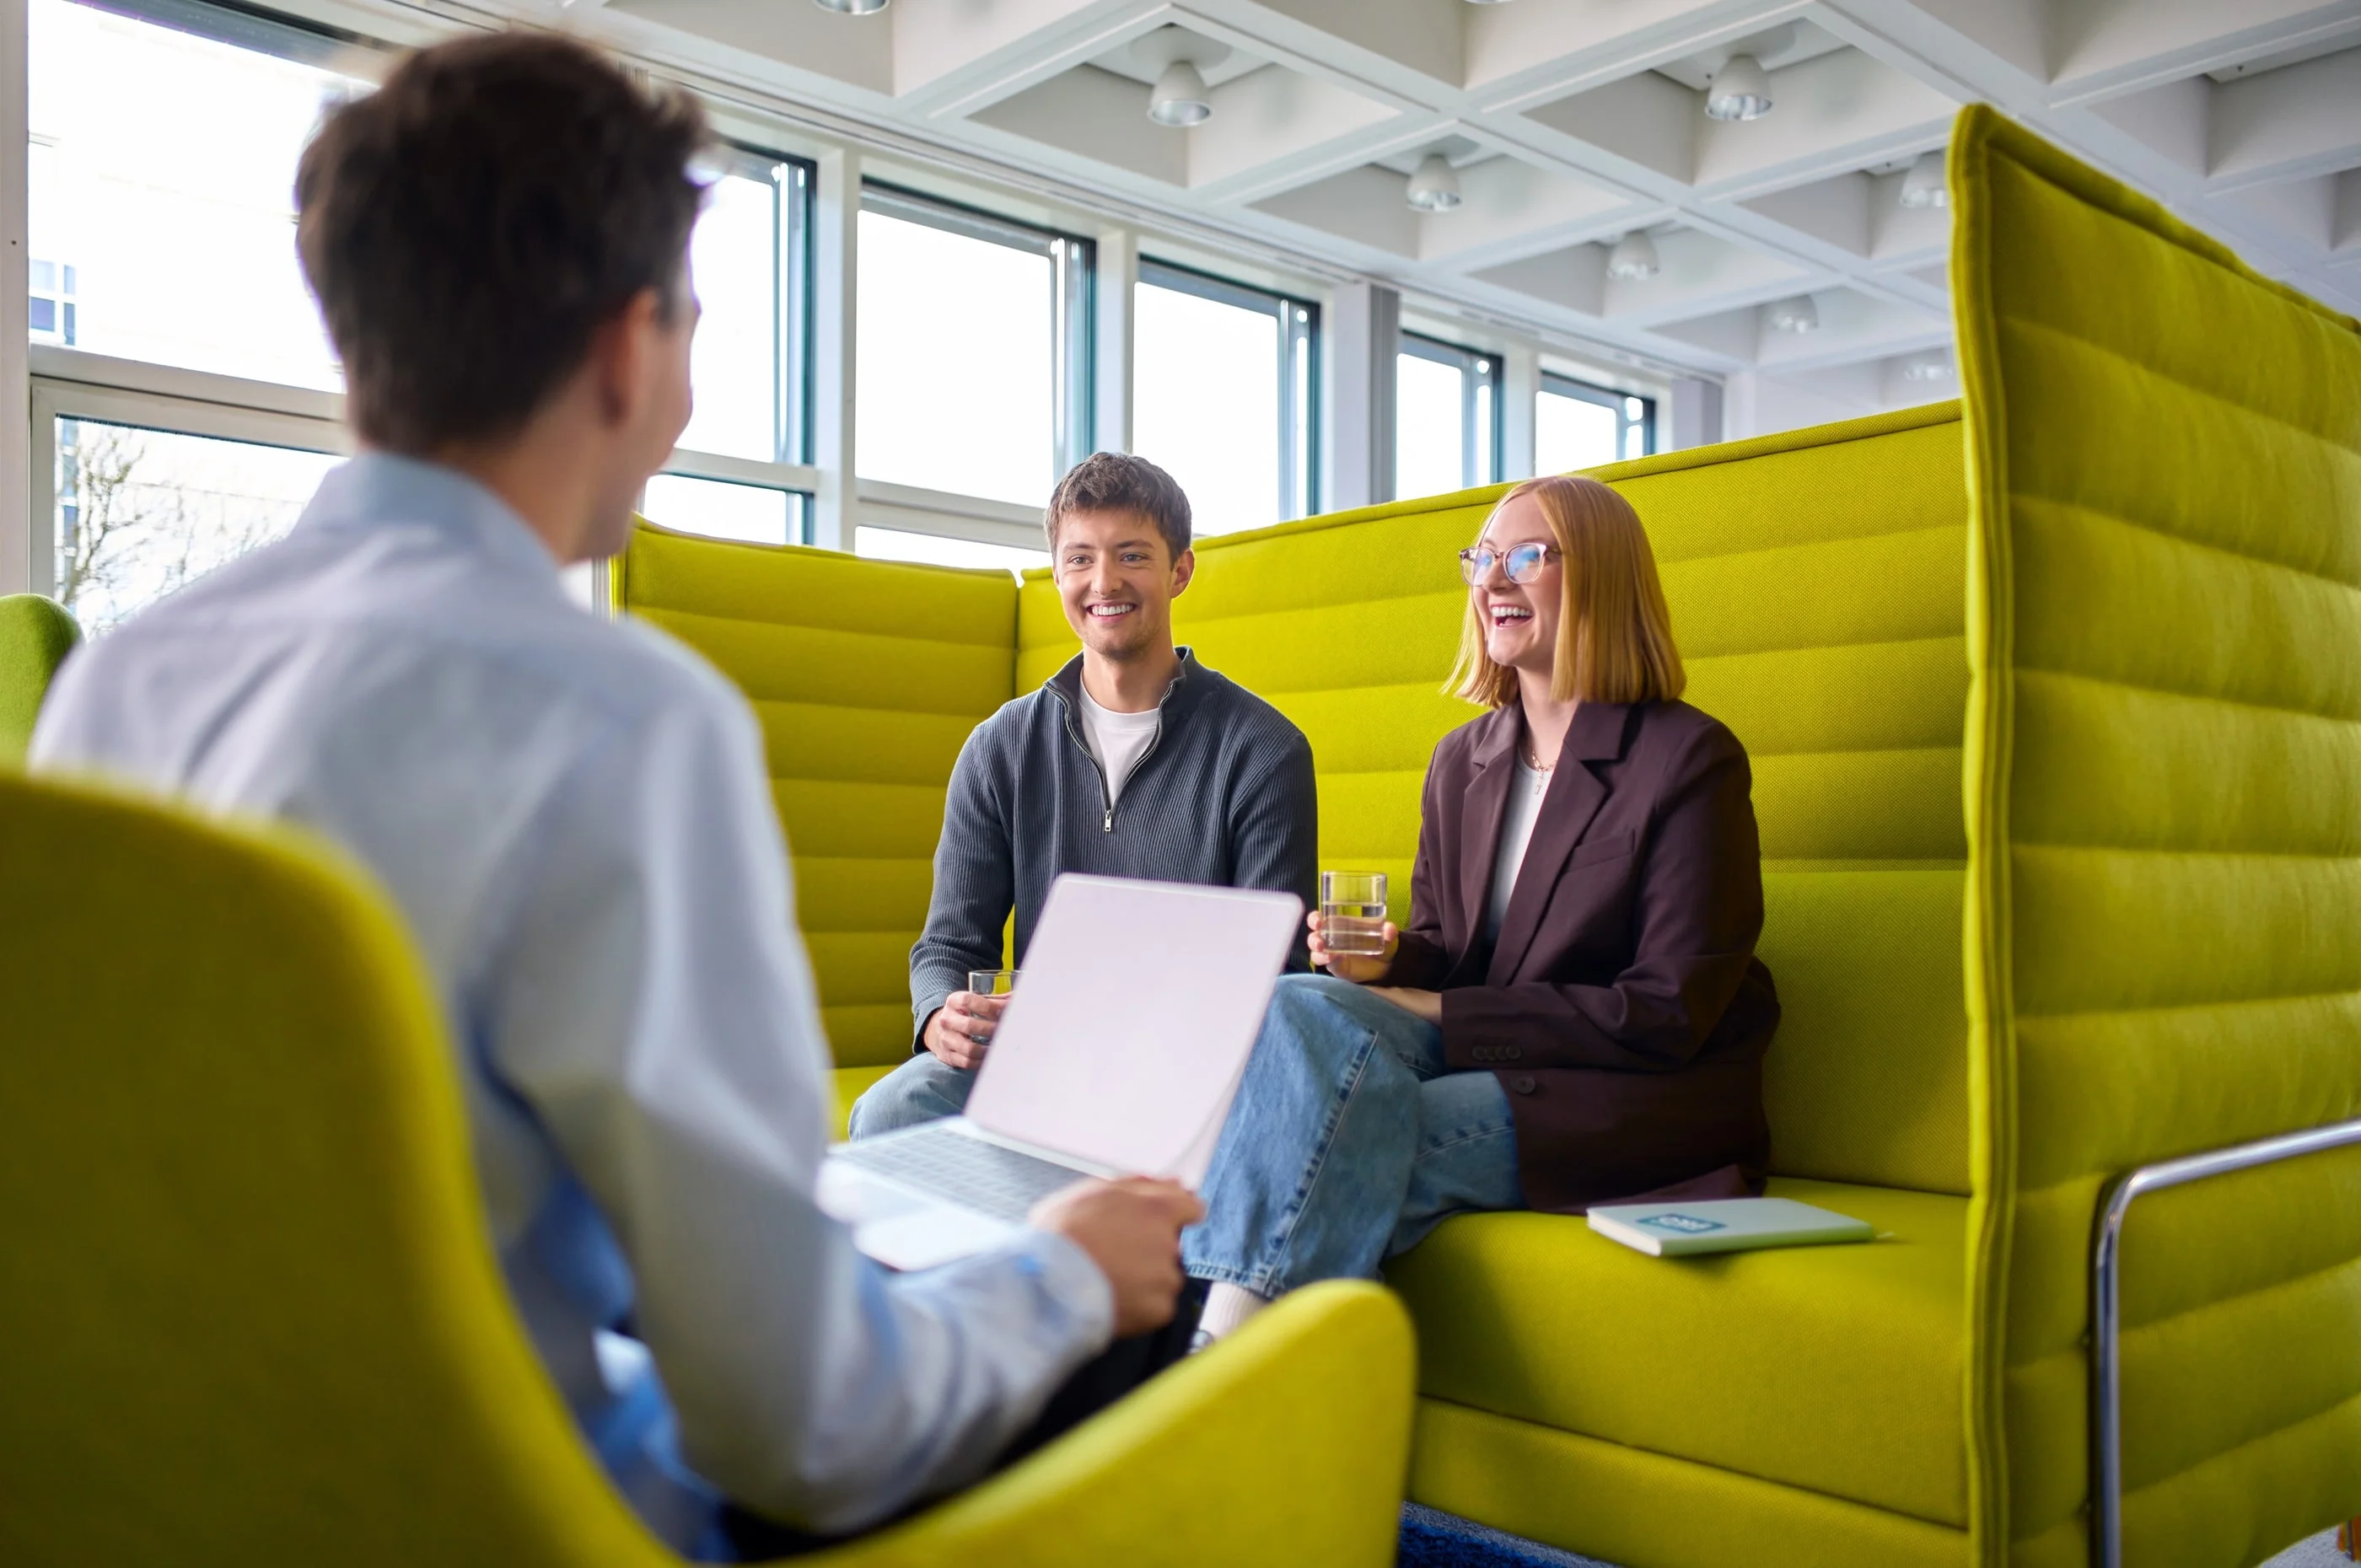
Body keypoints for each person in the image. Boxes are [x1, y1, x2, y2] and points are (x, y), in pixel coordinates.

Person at [30, 32, 1203, 1559]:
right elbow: (808, 1426)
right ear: (626, 348)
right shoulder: (620, 720)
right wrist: (1059, 1275)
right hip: (513, 1513)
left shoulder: (121, 685)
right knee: (1119, 1311)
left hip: (170, 1494)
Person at [1180, 474, 1781, 1345]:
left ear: (1603, 576)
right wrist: (1393, 962)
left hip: (1626, 1093)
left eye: (1527, 557)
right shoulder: (1462, 758)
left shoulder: (1688, 759)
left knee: (1339, 1134)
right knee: (1294, 1002)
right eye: (1483, 558)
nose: (1493, 579)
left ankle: (1216, 1359)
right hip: (1489, 1051)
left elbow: (1667, 1011)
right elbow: (1449, 945)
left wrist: (1437, 1008)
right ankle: (1254, 1369)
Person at [848, 452, 1319, 1138]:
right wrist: (939, 1017)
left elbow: (1278, 976)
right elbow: (949, 943)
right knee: (893, 1109)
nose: (1104, 582)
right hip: (1036, 1062)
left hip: (1195, 1075)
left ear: (1180, 571)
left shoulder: (1265, 749)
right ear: (1058, 573)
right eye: (1080, 559)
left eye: (1132, 556)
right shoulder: (1000, 746)